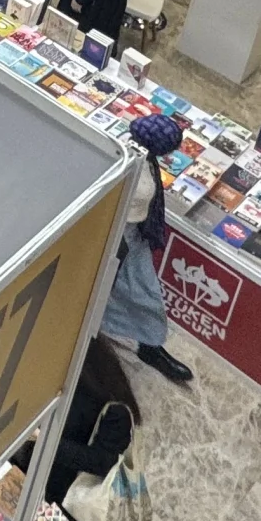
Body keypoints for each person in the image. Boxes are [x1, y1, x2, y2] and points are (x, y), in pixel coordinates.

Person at [101, 111, 196, 385]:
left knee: (144, 290)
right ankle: (96, 343)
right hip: (114, 235)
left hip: (135, 234)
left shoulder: (146, 159)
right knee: (101, 290)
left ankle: (149, 345)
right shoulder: (125, 161)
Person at [45, 341, 141, 508]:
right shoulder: (59, 377)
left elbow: (103, 462)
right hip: (35, 476)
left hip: (64, 496)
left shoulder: (114, 406)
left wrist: (46, 442)